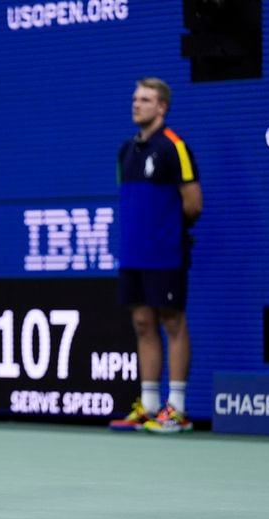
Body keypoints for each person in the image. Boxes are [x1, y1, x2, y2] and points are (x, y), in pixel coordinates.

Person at [109, 77, 203, 434]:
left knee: (172, 322)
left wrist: (166, 232)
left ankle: (176, 408)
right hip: (133, 253)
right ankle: (148, 406)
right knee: (142, 323)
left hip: (166, 252)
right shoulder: (126, 151)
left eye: (145, 99)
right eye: (135, 98)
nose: (137, 104)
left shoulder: (174, 147)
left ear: (162, 106)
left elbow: (193, 203)